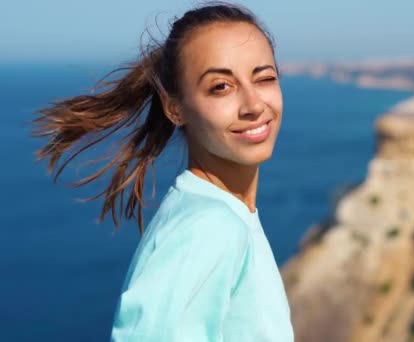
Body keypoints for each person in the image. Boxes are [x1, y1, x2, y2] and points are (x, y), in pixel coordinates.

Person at [31, 1, 294, 341]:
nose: (255, 105)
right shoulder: (210, 228)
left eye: (265, 78)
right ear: (175, 108)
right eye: (221, 87)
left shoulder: (220, 216)